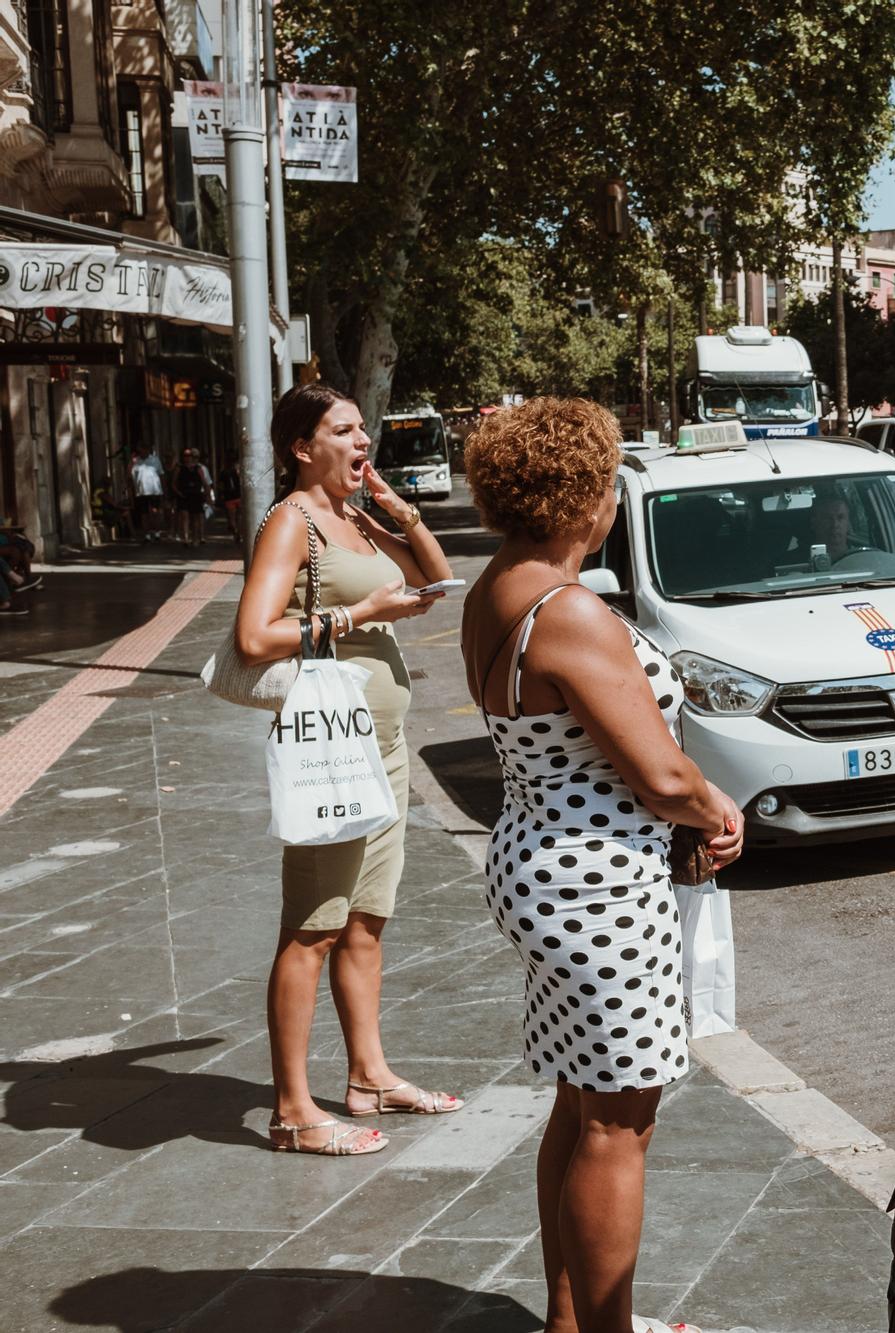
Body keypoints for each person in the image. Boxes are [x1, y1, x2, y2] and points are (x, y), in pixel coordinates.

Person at [459, 397, 743, 1333]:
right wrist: (716, 807)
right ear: (589, 494)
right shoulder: (569, 608)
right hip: (599, 882)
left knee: (580, 1105)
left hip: (541, 860)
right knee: (621, 1121)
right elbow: (661, 772)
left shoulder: (498, 584)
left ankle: (569, 1319)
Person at [231, 382, 462, 1157]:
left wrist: (401, 513)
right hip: (331, 754)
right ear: (303, 447)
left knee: (366, 921)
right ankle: (294, 1110)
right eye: (344, 429)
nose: (363, 440)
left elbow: (435, 585)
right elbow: (255, 635)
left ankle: (368, 1074)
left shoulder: (352, 518)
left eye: (364, 428)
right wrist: (359, 617)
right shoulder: (291, 522)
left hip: (382, 751)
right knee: (313, 927)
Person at [172, 448, 213, 545]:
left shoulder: (198, 468)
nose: (188, 458)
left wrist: (208, 496)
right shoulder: (179, 468)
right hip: (184, 496)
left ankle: (195, 538)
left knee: (196, 518)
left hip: (196, 495)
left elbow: (205, 483)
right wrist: (179, 493)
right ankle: (186, 538)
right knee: (185, 517)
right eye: (185, 455)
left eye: (189, 455)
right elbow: (173, 483)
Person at [129, 443, 166, 541]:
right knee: (144, 514)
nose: (140, 453)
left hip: (155, 490)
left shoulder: (155, 459)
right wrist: (131, 461)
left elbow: (161, 474)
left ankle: (157, 532)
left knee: (155, 512)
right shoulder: (136, 461)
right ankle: (147, 534)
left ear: (147, 450)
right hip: (141, 491)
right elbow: (129, 475)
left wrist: (163, 489)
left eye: (142, 450)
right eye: (139, 451)